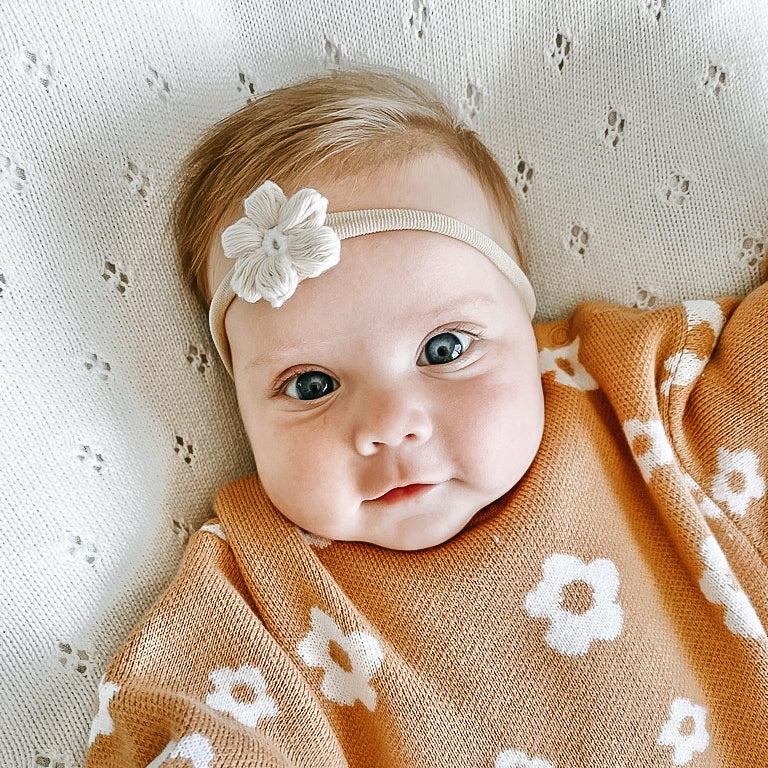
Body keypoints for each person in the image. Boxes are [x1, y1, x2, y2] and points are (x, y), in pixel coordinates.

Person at [86, 66, 768, 767]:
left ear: (526, 321)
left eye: (443, 349)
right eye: (312, 384)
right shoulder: (252, 597)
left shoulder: (636, 405)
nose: (389, 423)